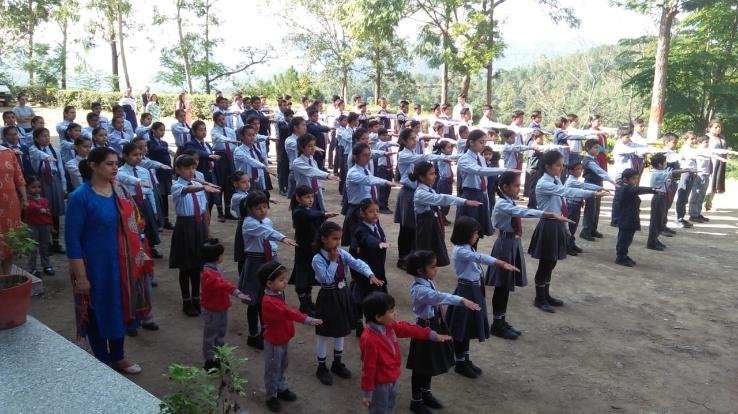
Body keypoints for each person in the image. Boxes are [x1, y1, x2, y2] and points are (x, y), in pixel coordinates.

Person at [66, 146, 147, 373]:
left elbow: (135, 222)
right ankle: (103, 362)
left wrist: (139, 250)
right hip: (94, 267)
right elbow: (72, 241)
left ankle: (119, 357)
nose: (115, 168)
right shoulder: (80, 197)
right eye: (109, 164)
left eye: (116, 164)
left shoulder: (120, 191)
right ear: (93, 166)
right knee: (97, 311)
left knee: (119, 307)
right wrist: (81, 277)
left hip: (121, 264)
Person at [486, 171, 571, 339]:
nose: (519, 188)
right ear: (505, 187)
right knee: (502, 286)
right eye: (516, 185)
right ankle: (497, 324)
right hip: (505, 245)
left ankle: (501, 321)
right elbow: (522, 212)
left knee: (506, 286)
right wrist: (548, 214)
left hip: (512, 242)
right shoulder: (502, 203)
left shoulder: (508, 200)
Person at [528, 151, 606, 313]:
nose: (561, 168)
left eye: (562, 165)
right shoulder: (544, 183)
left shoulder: (555, 179)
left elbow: (561, 203)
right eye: (558, 165)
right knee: (545, 264)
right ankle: (539, 298)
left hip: (557, 224)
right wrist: (592, 193)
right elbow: (567, 192)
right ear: (547, 166)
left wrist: (565, 228)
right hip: (548, 226)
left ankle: (546, 295)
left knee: (552, 262)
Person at [405, 250, 479, 413]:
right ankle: (416, 400)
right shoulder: (420, 289)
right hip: (423, 329)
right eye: (432, 267)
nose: (436, 269)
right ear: (420, 271)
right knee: (420, 366)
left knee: (429, 363)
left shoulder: (427, 281)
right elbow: (438, 297)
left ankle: (426, 393)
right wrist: (462, 300)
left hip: (433, 325)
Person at [312, 221, 384, 386]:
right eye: (334, 239)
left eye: (339, 238)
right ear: (323, 239)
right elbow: (326, 279)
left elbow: (356, 263)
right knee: (324, 333)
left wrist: (369, 274)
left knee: (341, 330)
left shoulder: (341, 253)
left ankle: (337, 363)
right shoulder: (318, 259)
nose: (338, 242)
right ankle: (321, 367)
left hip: (343, 294)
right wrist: (333, 261)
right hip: (328, 296)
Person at [445, 217, 518, 378]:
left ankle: (465, 359)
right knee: (461, 328)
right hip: (466, 291)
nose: (477, 236)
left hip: (473, 290)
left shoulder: (467, 247)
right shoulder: (461, 250)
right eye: (475, 233)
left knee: (467, 328)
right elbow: (480, 258)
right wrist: (500, 263)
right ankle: (460, 362)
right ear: (465, 234)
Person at [359, 292, 450, 414]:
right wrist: (367, 392)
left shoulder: (389, 325)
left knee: (389, 405)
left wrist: (431, 335)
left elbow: (408, 329)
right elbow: (368, 368)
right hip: (380, 384)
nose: (395, 313)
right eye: (391, 311)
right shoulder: (369, 340)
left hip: (392, 377)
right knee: (379, 410)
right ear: (378, 317)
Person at [260, 261, 323, 413]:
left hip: (282, 337)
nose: (285, 282)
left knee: (282, 364)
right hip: (274, 340)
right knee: (273, 368)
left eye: (284, 278)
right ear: (269, 283)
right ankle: (271, 396)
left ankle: (281, 388)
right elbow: (288, 312)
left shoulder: (277, 293)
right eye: (281, 280)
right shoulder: (269, 301)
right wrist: (307, 319)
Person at [238, 190, 297, 350]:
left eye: (265, 206)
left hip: (270, 259)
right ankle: (253, 334)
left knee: (268, 298)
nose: (263, 210)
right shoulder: (249, 223)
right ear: (249, 209)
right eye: (258, 208)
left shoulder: (267, 221)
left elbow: (269, 236)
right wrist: (282, 237)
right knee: (254, 300)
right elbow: (266, 233)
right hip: (255, 262)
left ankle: (266, 331)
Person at [394, 128, 453, 269]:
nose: (414, 141)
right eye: (411, 139)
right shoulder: (403, 155)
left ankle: (412, 257)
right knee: (407, 228)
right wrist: (442, 157)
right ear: (403, 141)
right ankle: (403, 258)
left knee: (414, 228)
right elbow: (424, 158)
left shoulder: (413, 153)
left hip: (415, 192)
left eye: (415, 138)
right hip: (408, 193)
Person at [169, 154, 220, 317]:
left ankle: (197, 298)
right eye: (187, 168)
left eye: (193, 168)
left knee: (198, 265)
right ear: (177, 170)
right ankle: (186, 301)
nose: (191, 171)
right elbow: (187, 190)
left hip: (199, 226)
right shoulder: (177, 186)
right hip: (185, 227)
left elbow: (204, 208)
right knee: (186, 266)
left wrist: (207, 229)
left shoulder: (198, 184)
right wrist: (203, 187)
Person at [411, 161, 479, 267]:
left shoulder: (430, 190)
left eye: (435, 173)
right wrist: (464, 201)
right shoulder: (420, 193)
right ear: (421, 177)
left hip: (431, 225)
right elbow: (442, 198)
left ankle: (429, 268)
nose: (435, 176)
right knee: (425, 251)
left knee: (433, 251)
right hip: (425, 227)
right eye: (431, 174)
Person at [199, 239, 250, 370]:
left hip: (220, 306)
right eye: (221, 254)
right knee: (211, 335)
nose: (223, 257)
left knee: (219, 332)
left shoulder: (212, 269)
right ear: (216, 257)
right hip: (213, 308)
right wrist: (237, 293)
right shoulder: (209, 273)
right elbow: (223, 284)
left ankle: (218, 356)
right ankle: (210, 360)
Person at [290, 185, 338, 315]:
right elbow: (309, 215)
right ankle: (304, 305)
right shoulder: (298, 211)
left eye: (312, 196)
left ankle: (309, 302)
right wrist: (324, 214)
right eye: (307, 197)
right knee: (302, 277)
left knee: (310, 276)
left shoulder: (309, 210)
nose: (311, 200)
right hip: (303, 249)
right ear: (298, 198)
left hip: (312, 249)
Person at [455, 129, 510, 237]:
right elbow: (479, 170)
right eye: (481, 142)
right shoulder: (464, 159)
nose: (483, 145)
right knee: (468, 230)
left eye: (485, 142)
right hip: (470, 194)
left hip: (482, 194)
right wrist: (504, 170)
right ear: (471, 142)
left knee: (478, 231)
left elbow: (484, 176)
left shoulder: (481, 158)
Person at [349, 199, 390, 337]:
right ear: (362, 213)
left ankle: (369, 325)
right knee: (363, 298)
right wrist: (378, 243)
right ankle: (360, 324)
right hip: (364, 272)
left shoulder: (376, 225)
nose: (375, 214)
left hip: (377, 268)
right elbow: (367, 238)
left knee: (373, 298)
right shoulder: (360, 229)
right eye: (371, 211)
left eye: (377, 211)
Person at [343, 142, 392, 245]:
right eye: (364, 155)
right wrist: (385, 182)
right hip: (358, 210)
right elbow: (368, 180)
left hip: (369, 208)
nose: (368, 158)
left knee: (373, 236)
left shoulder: (366, 170)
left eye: (369, 155)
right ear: (355, 157)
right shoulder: (353, 173)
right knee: (359, 241)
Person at [29, 128, 66, 253]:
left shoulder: (55, 150)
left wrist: (63, 185)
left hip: (54, 179)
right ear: (36, 138)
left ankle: (56, 242)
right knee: (44, 211)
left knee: (55, 211)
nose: (47, 138)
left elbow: (60, 168)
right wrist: (47, 157)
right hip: (42, 181)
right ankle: (46, 243)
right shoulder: (33, 149)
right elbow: (39, 155)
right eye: (43, 136)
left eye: (48, 135)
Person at [614, 168, 659, 267]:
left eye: (636, 178)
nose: (636, 181)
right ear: (625, 179)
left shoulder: (628, 188)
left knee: (628, 239)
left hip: (630, 218)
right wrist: (653, 190)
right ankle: (620, 257)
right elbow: (639, 190)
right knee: (624, 239)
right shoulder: (626, 188)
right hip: (626, 219)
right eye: (633, 179)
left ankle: (624, 255)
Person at [184, 120, 222, 219]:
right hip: (201, 174)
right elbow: (198, 152)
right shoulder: (190, 144)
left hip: (211, 173)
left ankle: (207, 221)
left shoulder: (207, 145)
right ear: (194, 132)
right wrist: (209, 155)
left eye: (205, 129)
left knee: (212, 199)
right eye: (201, 130)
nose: (204, 132)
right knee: (204, 199)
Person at [292, 133, 339, 213]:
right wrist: (327, 175)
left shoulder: (313, 161)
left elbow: (317, 177)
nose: (313, 148)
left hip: (314, 194)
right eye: (310, 146)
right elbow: (311, 171)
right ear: (302, 147)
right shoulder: (297, 162)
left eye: (314, 145)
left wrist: (327, 177)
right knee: (307, 216)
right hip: (304, 197)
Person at [580, 139, 616, 241]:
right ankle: (586, 231)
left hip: (597, 184)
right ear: (588, 149)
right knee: (590, 209)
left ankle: (593, 229)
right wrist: (612, 181)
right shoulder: (588, 160)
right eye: (595, 148)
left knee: (596, 208)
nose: (597, 150)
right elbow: (599, 171)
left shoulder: (594, 159)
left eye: (598, 147)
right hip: (590, 184)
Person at [563, 162, 602, 255]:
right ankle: (567, 246)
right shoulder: (571, 181)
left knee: (574, 226)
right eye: (578, 169)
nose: (580, 171)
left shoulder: (574, 180)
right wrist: (599, 188)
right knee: (571, 226)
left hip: (575, 205)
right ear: (571, 171)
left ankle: (571, 243)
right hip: (571, 206)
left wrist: (581, 200)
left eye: (581, 169)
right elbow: (585, 186)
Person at [0, 143, 27, 275]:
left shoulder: (9, 153)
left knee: (9, 240)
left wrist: (24, 198)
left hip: (10, 204)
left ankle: (6, 277)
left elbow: (19, 178)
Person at [147, 122, 175, 229]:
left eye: (163, 130)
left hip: (165, 173)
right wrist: (167, 150)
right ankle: (159, 220)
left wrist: (170, 171)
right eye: (160, 130)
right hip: (157, 173)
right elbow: (155, 149)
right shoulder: (150, 143)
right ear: (153, 131)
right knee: (158, 197)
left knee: (165, 197)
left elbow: (167, 159)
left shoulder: (164, 143)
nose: (162, 132)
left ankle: (166, 220)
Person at [212, 112, 239, 220]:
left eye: (223, 119)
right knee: (220, 183)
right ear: (215, 121)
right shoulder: (214, 131)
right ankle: (220, 212)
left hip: (230, 157)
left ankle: (228, 211)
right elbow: (220, 138)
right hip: (220, 157)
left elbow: (234, 145)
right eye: (219, 120)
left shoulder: (230, 130)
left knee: (229, 183)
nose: (222, 122)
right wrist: (229, 140)